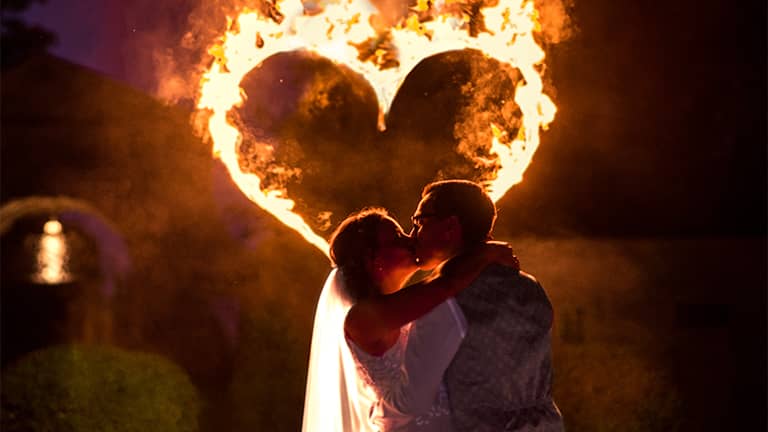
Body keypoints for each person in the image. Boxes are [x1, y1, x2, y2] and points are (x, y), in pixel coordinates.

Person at [302, 208, 518, 431]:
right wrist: (486, 253)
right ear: (373, 259)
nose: (411, 239)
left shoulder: (400, 308)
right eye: (397, 237)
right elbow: (445, 285)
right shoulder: (361, 318)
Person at [410, 180, 564, 431]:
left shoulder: (441, 302)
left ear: (450, 227)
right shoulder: (529, 287)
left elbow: (416, 395)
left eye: (419, 222)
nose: (413, 234)